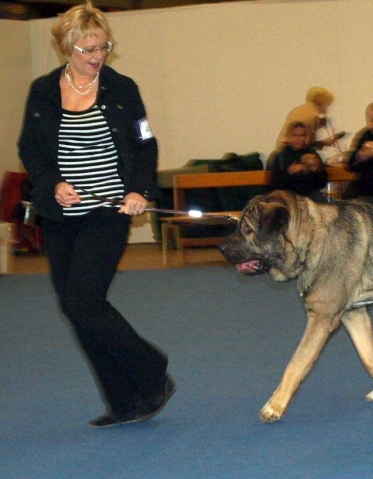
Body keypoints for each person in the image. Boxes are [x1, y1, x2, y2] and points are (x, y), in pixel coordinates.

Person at [18, 1, 175, 429]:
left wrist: (140, 190)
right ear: (67, 47)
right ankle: (124, 401)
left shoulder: (123, 89)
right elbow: (29, 148)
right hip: (60, 214)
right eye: (87, 50)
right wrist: (52, 181)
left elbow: (145, 144)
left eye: (102, 48)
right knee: (75, 308)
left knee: (84, 301)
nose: (96, 57)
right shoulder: (43, 91)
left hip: (107, 213)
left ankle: (151, 371)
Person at [267, 86, 341, 171]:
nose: (327, 109)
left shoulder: (298, 110)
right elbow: (305, 144)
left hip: (279, 155)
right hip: (290, 159)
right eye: (327, 105)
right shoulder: (313, 116)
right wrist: (324, 143)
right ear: (322, 102)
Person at [271, 122, 329, 202]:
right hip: (287, 195)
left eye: (302, 135)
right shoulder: (280, 156)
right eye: (294, 135)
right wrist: (289, 172)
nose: (298, 139)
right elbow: (275, 185)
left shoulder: (312, 154)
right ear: (288, 137)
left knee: (322, 203)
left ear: (306, 137)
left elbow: (322, 183)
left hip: (309, 194)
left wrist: (317, 170)